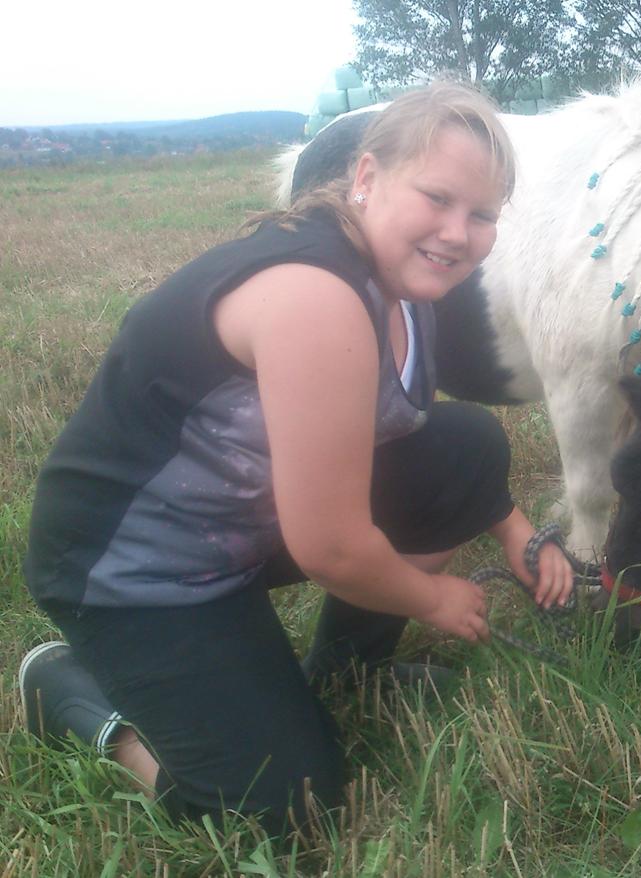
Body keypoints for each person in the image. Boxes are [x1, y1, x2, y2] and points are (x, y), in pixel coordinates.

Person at [18, 81, 574, 837]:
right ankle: (76, 698)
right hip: (134, 567)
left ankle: (351, 670)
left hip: (240, 519)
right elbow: (330, 545)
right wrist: (431, 599)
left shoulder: (409, 285)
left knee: (465, 444)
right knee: (285, 815)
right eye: (437, 198)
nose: (457, 232)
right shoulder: (313, 295)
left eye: (481, 215)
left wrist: (512, 527)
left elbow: (404, 438)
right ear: (368, 178)